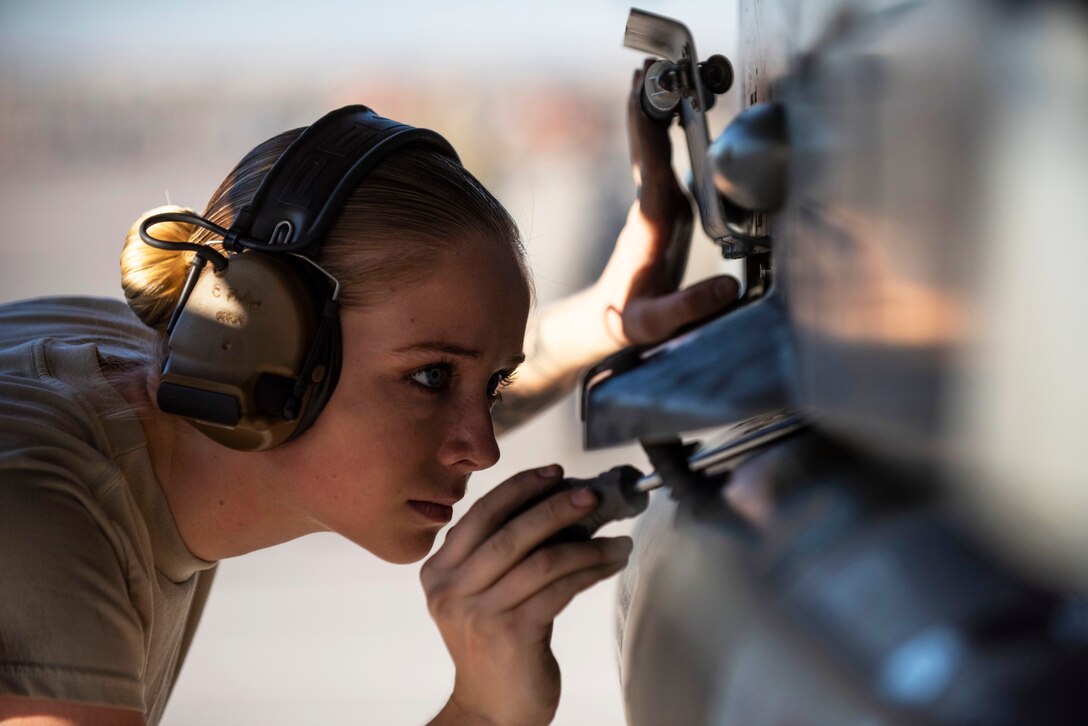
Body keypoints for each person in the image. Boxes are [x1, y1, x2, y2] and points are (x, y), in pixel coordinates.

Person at [0, 65, 738, 725]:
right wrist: (482, 713)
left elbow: (366, 381)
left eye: (493, 385)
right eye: (431, 379)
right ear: (262, 346)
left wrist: (606, 316)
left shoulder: (154, 359)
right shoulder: (48, 517)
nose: (481, 449)